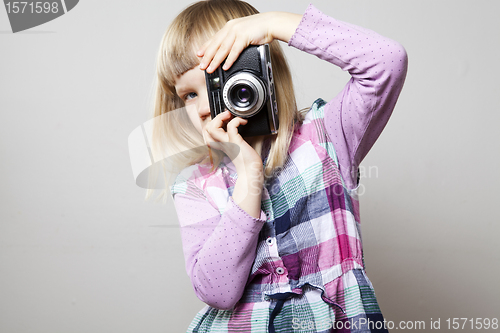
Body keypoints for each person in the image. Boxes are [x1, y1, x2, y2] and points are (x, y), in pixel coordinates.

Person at [151, 0, 407, 331]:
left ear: (261, 73)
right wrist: (249, 177)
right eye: (188, 95)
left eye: (217, 83)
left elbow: (387, 61)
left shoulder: (328, 136)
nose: (203, 108)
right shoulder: (195, 188)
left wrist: (272, 25)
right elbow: (218, 292)